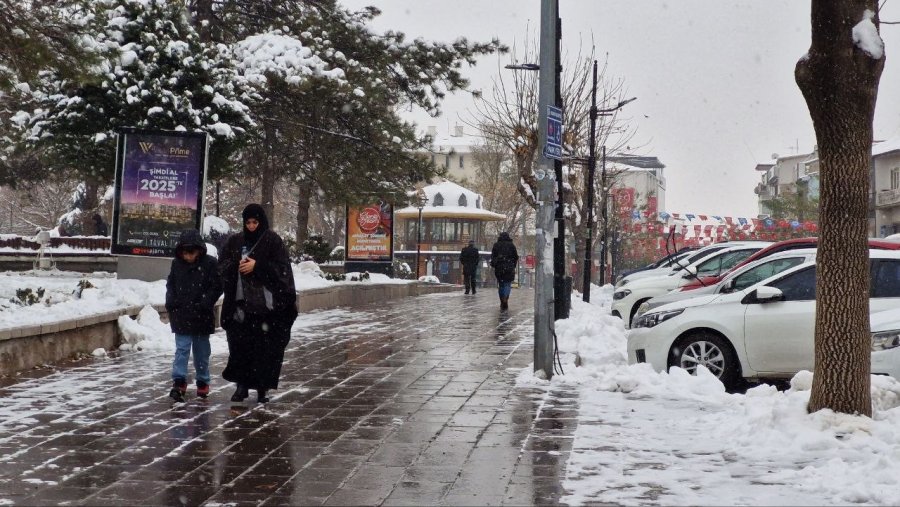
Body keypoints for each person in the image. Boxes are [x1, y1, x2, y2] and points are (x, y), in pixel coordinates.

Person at [219, 204, 298, 403]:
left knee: (265, 351)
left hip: (266, 309)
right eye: (248, 222)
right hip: (241, 306)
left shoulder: (272, 241)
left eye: (255, 222)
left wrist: (258, 266)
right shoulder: (235, 241)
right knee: (240, 348)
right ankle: (242, 386)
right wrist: (236, 266)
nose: (252, 226)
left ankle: (262, 388)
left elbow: (282, 270)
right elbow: (222, 266)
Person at [165, 229, 223, 403]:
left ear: (199, 250)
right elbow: (171, 285)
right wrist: (172, 304)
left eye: (191, 252)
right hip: (182, 313)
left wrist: (205, 303)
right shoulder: (177, 264)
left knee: (201, 351)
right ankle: (179, 382)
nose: (188, 256)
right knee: (182, 349)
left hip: (201, 315)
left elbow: (217, 286)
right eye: (184, 252)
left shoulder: (210, 264)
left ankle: (203, 381)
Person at [489, 231, 519, 311]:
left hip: (499, 267)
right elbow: (516, 257)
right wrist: (513, 265)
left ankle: (502, 300)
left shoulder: (496, 245)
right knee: (507, 284)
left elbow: (493, 257)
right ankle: (505, 299)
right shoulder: (511, 245)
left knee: (501, 284)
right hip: (509, 267)